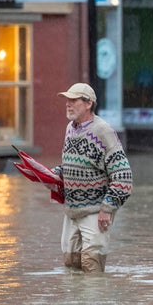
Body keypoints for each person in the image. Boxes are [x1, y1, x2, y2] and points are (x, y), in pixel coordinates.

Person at [54, 82, 133, 272]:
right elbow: (75, 165)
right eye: (67, 100)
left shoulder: (103, 131)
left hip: (96, 212)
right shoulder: (70, 129)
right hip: (72, 210)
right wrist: (56, 174)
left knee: (91, 265)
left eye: (73, 100)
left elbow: (123, 176)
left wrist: (107, 208)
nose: (68, 104)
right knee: (71, 263)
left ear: (88, 104)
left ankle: (96, 302)